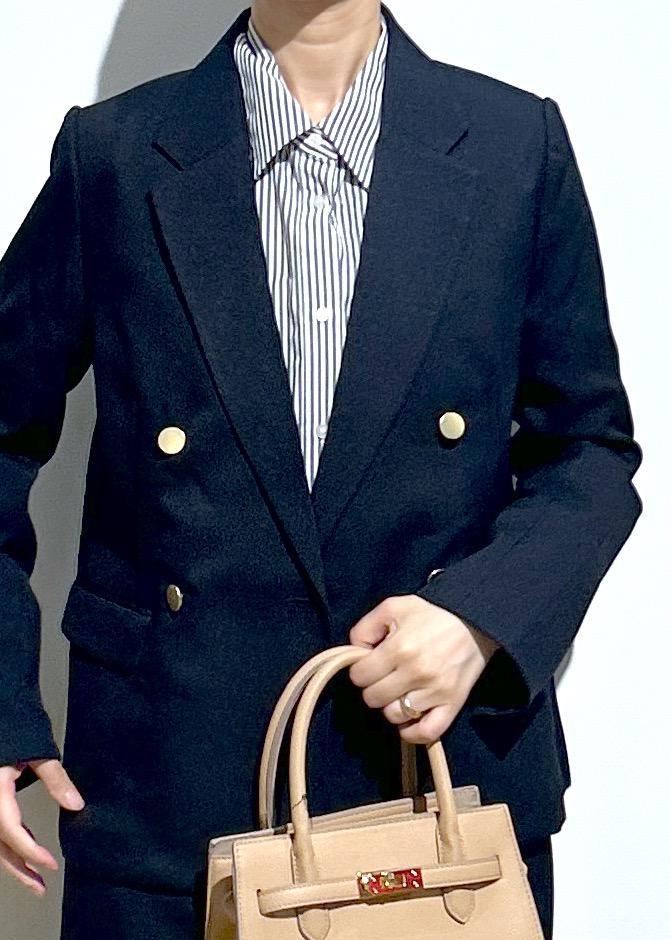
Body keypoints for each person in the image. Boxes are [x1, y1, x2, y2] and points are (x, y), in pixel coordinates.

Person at [0, 2, 642, 938]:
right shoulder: (115, 154)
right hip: (169, 792)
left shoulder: (511, 144)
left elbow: (588, 447)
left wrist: (480, 617)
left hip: (436, 802)